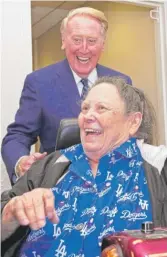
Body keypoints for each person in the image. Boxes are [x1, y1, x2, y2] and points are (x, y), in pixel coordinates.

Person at [1, 76, 167, 257]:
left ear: (133, 122)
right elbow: (6, 212)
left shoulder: (158, 166)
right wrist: (10, 213)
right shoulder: (52, 165)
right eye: (85, 108)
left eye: (101, 108)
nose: (87, 116)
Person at [1, 7, 132, 183]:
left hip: (113, 186)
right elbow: (18, 136)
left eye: (92, 41)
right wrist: (21, 163)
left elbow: (132, 135)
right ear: (64, 40)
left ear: (103, 43)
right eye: (77, 40)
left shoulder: (122, 82)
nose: (84, 49)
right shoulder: (39, 82)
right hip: (59, 188)